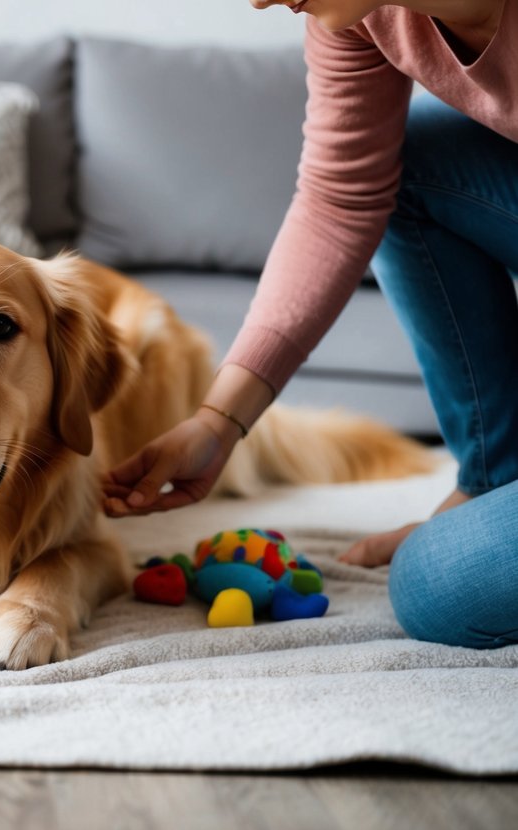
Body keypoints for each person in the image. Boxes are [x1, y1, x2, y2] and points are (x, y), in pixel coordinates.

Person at [103, 0, 517, 648]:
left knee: (437, 586)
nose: (258, 1)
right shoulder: (364, 13)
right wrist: (217, 422)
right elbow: (341, 198)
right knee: (406, 168)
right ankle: (495, 480)